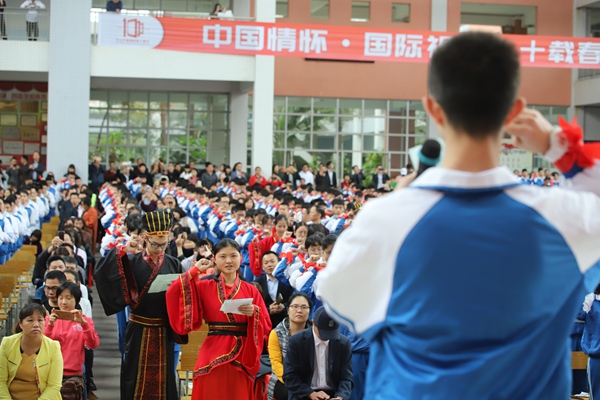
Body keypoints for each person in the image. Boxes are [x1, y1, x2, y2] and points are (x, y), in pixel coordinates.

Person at [318, 32, 600, 398]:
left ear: (433, 109)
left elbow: (338, 299)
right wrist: (554, 145)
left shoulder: (385, 220)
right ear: (515, 110)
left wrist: (396, 204)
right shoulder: (563, 219)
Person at [166, 238, 271, 400]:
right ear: (213, 258)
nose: (229, 260)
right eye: (223, 256)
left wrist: (254, 313)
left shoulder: (251, 290)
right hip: (212, 351)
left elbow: (266, 326)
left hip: (243, 354)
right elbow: (174, 292)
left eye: (233, 256)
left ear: (240, 258)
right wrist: (193, 271)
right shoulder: (204, 287)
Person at [94, 210, 184, 400]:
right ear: (145, 238)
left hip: (163, 329)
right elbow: (103, 272)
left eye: (164, 244)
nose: (160, 249)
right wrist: (122, 250)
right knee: (134, 374)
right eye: (155, 244)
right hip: (138, 327)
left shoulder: (174, 263)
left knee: (163, 378)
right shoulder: (132, 261)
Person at [283, 306, 353, 400]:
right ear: (313, 323)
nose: (327, 337)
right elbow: (289, 376)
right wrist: (310, 393)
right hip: (304, 393)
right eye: (323, 332)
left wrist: (340, 396)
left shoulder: (343, 343)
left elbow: (347, 377)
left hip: (333, 394)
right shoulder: (297, 342)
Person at [44, 282, 100, 399]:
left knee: (69, 392)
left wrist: (84, 325)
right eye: (60, 298)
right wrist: (50, 326)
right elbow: (42, 345)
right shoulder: (49, 319)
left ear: (77, 300)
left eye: (68, 298)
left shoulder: (85, 320)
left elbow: (93, 344)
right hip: (50, 372)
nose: (64, 302)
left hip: (73, 373)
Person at [0, 303, 63, 400]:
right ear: (20, 324)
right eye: (30, 320)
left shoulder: (53, 347)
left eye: (40, 320)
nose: (36, 325)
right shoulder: (7, 343)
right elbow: (1, 381)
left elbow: (54, 386)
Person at [267, 293, 312, 400]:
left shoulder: (315, 333)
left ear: (310, 311)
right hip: (283, 379)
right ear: (287, 310)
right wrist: (295, 383)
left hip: (309, 379)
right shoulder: (276, 333)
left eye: (304, 307)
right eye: (295, 306)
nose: (299, 310)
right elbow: (276, 364)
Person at [255, 251, 294, 329]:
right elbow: (254, 305)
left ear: (279, 263)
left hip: (285, 322)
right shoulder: (257, 283)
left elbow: (293, 300)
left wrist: (283, 307)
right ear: (262, 267)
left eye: (272, 261)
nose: (270, 265)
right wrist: (268, 309)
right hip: (264, 323)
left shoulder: (287, 281)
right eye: (266, 263)